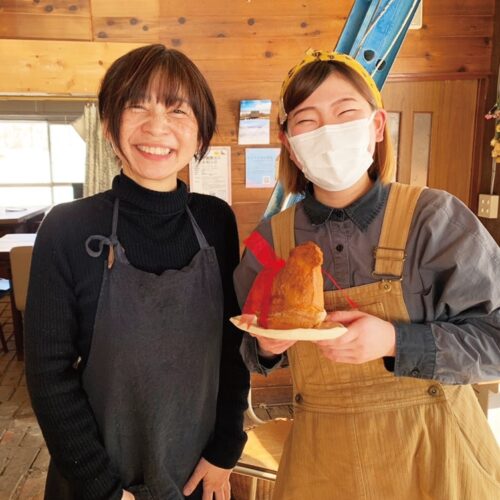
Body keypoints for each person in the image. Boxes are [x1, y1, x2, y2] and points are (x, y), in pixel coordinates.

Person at [234, 49, 500, 499]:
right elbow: (245, 342)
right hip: (322, 461)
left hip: (434, 455)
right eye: (307, 120)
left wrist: (397, 341)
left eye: (345, 113)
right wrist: (265, 347)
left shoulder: (434, 218)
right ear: (290, 144)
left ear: (377, 126)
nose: (328, 132)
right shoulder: (268, 241)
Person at [25, 44, 249, 500]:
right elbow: (49, 374)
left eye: (177, 109)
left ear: (201, 131)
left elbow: (233, 345)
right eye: (136, 105)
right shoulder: (67, 227)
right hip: (95, 480)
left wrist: (226, 449)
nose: (157, 126)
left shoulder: (216, 221)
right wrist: (102, 488)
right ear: (108, 125)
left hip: (197, 473)